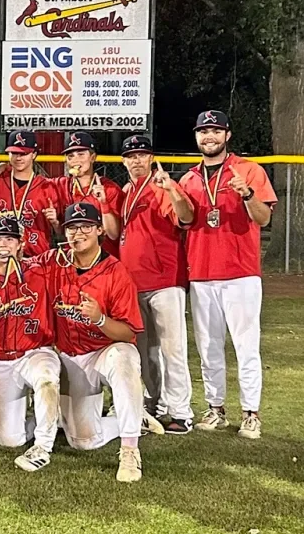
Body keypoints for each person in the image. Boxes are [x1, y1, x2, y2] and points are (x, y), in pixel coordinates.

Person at [178, 110, 276, 439]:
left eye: (215, 131)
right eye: (203, 131)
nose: (209, 137)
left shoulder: (249, 170)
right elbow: (183, 221)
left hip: (241, 273)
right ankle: (215, 408)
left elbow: (263, 219)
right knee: (208, 347)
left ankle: (251, 413)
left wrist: (247, 194)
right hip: (202, 272)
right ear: (196, 137)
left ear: (227, 136)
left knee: (246, 345)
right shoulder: (189, 179)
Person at [41, 202, 147, 483]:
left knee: (125, 358)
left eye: (86, 226)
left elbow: (128, 333)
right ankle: (134, 417)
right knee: (83, 441)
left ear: (100, 230)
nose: (79, 232)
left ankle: (130, 450)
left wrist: (100, 318)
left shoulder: (115, 271)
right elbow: (17, 266)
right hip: (70, 357)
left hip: (104, 351)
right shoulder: (53, 262)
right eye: (72, 227)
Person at [0, 216, 60, 472]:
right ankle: (50, 418)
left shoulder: (39, 268)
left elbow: (69, 252)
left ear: (20, 245)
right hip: (1, 361)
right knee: (10, 440)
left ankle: (43, 446)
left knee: (46, 378)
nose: (3, 244)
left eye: (10, 239)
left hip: (36, 351)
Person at [119, 135, 196, 434]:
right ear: (124, 161)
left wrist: (172, 191)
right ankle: (152, 403)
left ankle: (180, 411)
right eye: (131, 156)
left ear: (151, 157)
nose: (136, 160)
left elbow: (186, 217)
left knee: (171, 348)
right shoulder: (128, 191)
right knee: (145, 349)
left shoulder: (162, 186)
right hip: (134, 282)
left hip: (165, 279)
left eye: (142, 154)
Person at [0, 131, 61, 257]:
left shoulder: (48, 187)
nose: (18, 158)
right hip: (2, 255)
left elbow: (61, 233)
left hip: (36, 257)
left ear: (34, 154)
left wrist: (55, 222)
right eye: (14, 153)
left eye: (24, 153)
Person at [54, 132, 123, 256]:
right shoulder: (61, 185)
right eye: (71, 156)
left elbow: (113, 234)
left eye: (81, 154)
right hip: (75, 257)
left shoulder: (109, 188)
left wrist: (104, 203)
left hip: (105, 258)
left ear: (92, 157)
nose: (76, 160)